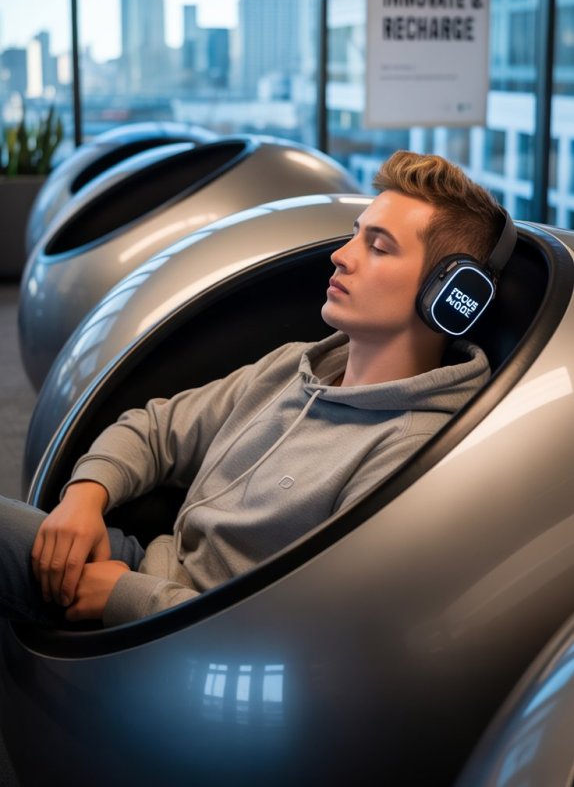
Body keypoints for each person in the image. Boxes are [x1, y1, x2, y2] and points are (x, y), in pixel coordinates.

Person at [0, 151, 507, 629]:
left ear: (447, 294)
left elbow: (303, 636)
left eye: (378, 246)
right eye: (355, 236)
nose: (340, 256)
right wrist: (86, 497)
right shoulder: (295, 365)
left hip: (177, 636)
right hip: (138, 573)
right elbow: (154, 428)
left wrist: (128, 600)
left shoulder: (408, 452)